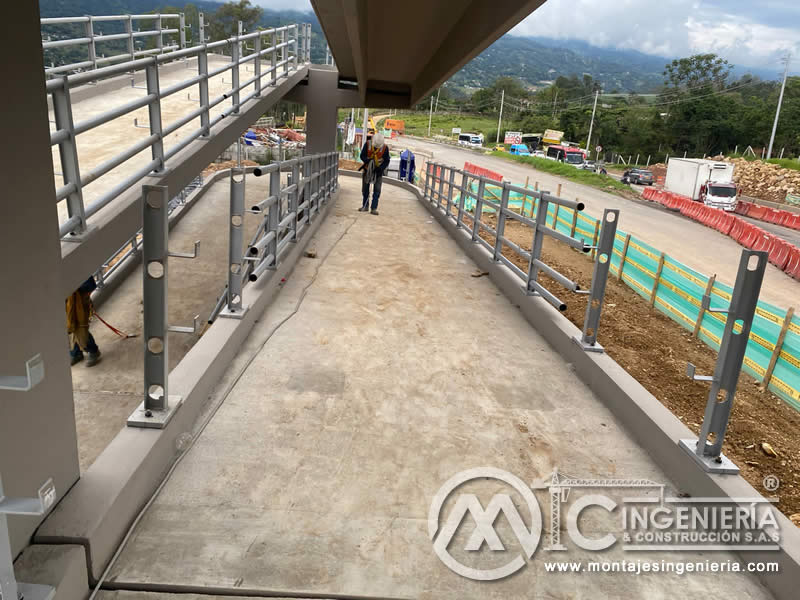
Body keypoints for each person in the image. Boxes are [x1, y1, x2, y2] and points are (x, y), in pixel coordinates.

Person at [66, 276, 102, 366]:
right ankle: (76, 353)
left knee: (80, 328)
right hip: (68, 299)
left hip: (79, 299)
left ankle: (93, 351)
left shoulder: (74, 266)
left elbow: (90, 285)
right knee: (70, 327)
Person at [359, 132, 390, 215]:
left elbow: (387, 160)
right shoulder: (368, 144)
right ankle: (365, 206)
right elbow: (362, 155)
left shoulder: (385, 148)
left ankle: (374, 208)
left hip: (378, 171)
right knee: (365, 189)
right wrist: (367, 161)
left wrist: (381, 168)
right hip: (367, 170)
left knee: (377, 190)